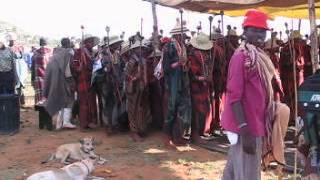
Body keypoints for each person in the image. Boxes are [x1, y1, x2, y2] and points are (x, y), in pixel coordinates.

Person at [221, 10, 275, 180]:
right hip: (246, 126)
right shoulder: (241, 57)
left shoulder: (258, 56)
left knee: (234, 172)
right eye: (255, 30)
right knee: (248, 174)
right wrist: (245, 130)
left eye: (262, 31)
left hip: (254, 122)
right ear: (245, 32)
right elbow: (234, 96)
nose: (259, 34)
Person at [162, 19, 192, 146]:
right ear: (177, 35)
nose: (184, 36)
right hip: (173, 81)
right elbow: (166, 67)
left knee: (184, 106)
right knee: (172, 106)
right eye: (182, 34)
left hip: (183, 78)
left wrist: (185, 65)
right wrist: (177, 64)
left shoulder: (183, 46)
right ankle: (167, 137)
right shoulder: (168, 47)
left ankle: (178, 135)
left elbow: (185, 62)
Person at [124, 34, 152, 142]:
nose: (141, 50)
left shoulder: (143, 59)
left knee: (142, 109)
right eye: (139, 49)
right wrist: (135, 77)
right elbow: (127, 74)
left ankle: (141, 128)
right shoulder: (132, 60)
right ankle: (134, 131)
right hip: (133, 88)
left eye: (142, 48)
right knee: (133, 110)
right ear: (135, 49)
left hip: (142, 88)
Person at [43, 38, 76, 130]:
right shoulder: (68, 53)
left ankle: (58, 123)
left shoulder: (55, 53)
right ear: (68, 44)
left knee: (58, 98)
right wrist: (71, 82)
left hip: (53, 79)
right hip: (61, 78)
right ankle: (66, 122)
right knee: (69, 98)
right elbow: (67, 71)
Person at [187, 32, 213, 144]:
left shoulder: (205, 55)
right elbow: (192, 75)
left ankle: (201, 132)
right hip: (196, 87)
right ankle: (194, 134)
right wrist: (204, 78)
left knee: (204, 110)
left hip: (203, 88)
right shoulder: (192, 56)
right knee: (196, 111)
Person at [71, 34, 99, 130]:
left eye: (92, 42)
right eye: (89, 41)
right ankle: (84, 123)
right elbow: (74, 65)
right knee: (83, 102)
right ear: (85, 42)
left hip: (91, 80)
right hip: (82, 80)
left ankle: (91, 121)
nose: (91, 43)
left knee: (91, 101)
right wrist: (79, 68)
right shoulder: (79, 52)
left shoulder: (93, 52)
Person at [31, 38, 53, 130]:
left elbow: (32, 68)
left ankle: (41, 124)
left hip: (38, 80)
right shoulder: (51, 53)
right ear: (46, 43)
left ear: (40, 43)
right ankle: (49, 125)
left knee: (40, 102)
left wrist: (32, 80)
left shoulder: (35, 53)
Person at [7, 32, 28, 106]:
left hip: (20, 69)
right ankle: (16, 102)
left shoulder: (19, 48)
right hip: (11, 70)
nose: (13, 41)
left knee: (20, 85)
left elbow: (22, 59)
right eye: (11, 40)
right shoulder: (7, 48)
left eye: (14, 40)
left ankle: (21, 101)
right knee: (14, 85)